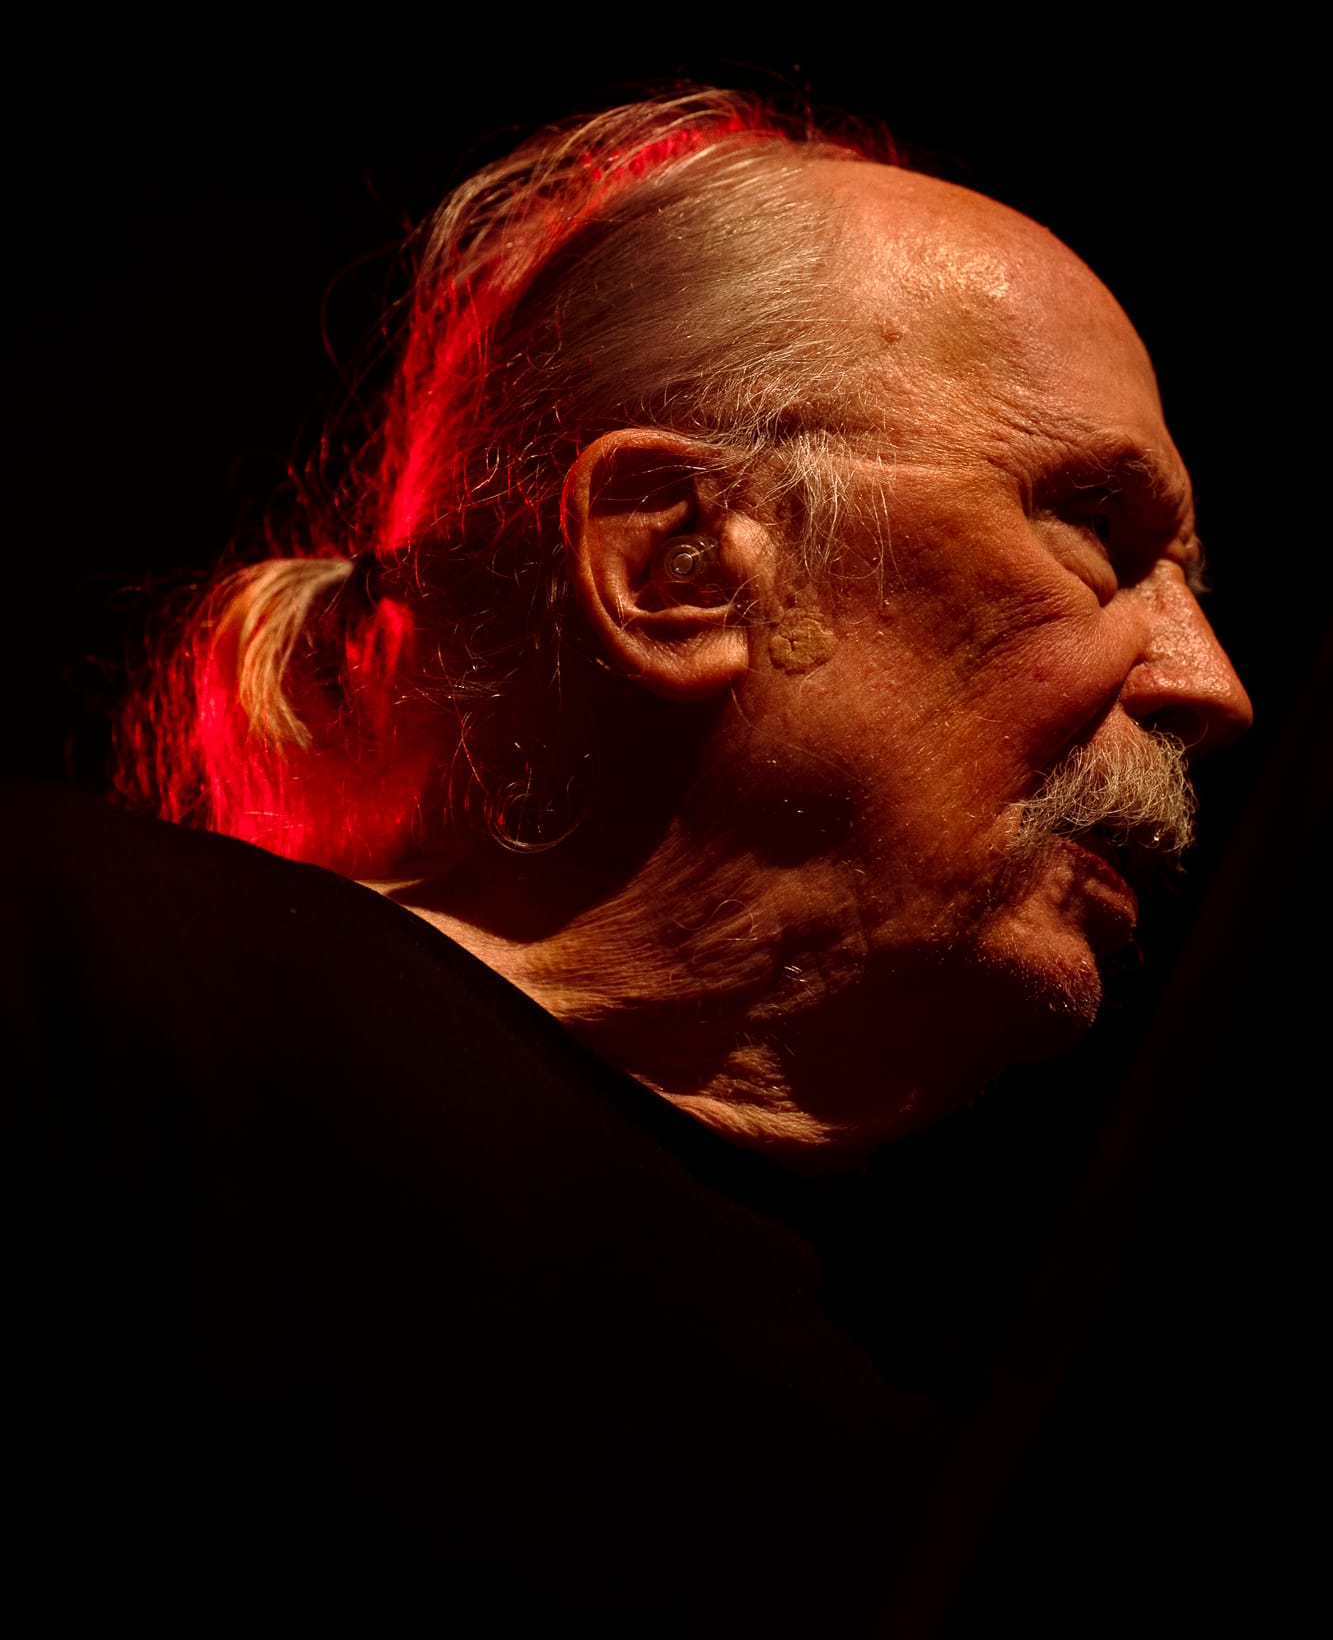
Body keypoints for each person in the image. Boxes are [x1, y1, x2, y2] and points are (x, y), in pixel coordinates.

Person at [2, 92, 1251, 1634]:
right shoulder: (63, 974)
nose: (1209, 686)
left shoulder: (965, 1465)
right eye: (1097, 528)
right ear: (677, 560)